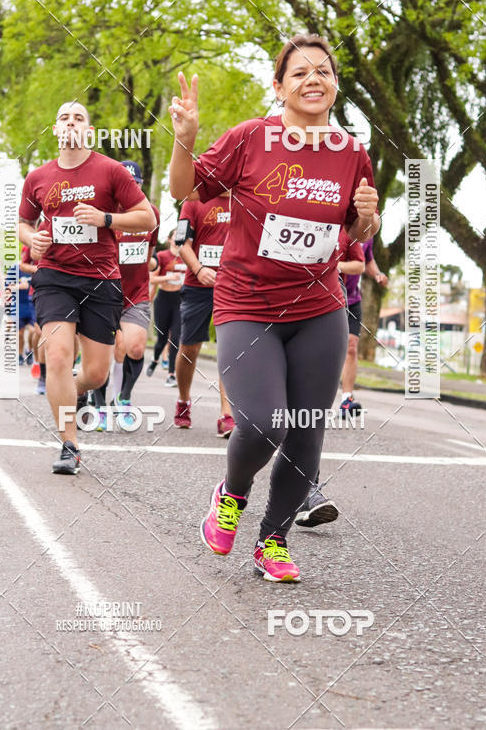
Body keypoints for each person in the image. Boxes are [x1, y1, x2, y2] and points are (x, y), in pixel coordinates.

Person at [169, 34, 379, 582]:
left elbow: (353, 234)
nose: (314, 79)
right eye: (300, 72)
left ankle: (274, 541)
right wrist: (184, 141)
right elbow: (183, 189)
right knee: (263, 423)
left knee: (307, 429)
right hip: (247, 302)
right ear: (279, 85)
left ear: (335, 84)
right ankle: (231, 495)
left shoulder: (352, 152)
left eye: (324, 72)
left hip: (319, 308)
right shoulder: (249, 139)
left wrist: (369, 221)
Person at [18, 101, 156, 475]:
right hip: (55, 277)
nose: (72, 122)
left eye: (79, 118)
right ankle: (69, 445)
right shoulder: (38, 177)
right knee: (59, 355)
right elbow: (23, 223)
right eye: (64, 117)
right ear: (55, 129)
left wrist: (106, 218)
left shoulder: (110, 171)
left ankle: (67, 392)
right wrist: (33, 240)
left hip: (100, 279)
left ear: (89, 131)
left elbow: (148, 216)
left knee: (96, 374)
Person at [294, 227, 364, 528]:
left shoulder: (346, 225)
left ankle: (309, 490)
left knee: (308, 408)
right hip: (271, 311)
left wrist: (330, 266)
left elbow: (359, 260)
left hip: (325, 312)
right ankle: (235, 488)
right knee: (266, 420)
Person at [91, 160, 160, 430]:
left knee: (136, 346)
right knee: (103, 352)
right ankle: (99, 405)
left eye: (136, 184)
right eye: (125, 184)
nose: (131, 188)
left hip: (136, 292)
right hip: (103, 290)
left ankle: (124, 397)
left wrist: (151, 266)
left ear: (140, 186)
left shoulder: (149, 213)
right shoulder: (103, 212)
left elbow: (149, 254)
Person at [174, 193, 235, 437]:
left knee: (230, 348)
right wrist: (199, 269)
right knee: (190, 349)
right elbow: (181, 244)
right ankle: (183, 400)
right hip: (198, 285)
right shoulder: (192, 201)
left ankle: (226, 414)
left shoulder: (245, 198)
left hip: (233, 285)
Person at [339, 238, 388, 414]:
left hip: (353, 300)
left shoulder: (367, 232)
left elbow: (368, 260)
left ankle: (346, 399)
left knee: (351, 347)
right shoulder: (340, 223)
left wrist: (377, 274)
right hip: (329, 297)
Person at [147, 230, 185, 386]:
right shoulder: (162, 256)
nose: (178, 238)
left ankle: (171, 374)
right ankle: (155, 359)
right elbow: (152, 279)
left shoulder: (188, 257)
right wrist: (169, 277)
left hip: (179, 301)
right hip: (163, 300)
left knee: (175, 338)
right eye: (175, 235)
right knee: (161, 341)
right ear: (170, 239)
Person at [20, 244, 46, 393]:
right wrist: (38, 269)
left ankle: (67, 370)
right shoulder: (35, 239)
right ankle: (39, 366)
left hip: (71, 291)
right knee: (40, 331)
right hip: (38, 291)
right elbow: (23, 265)